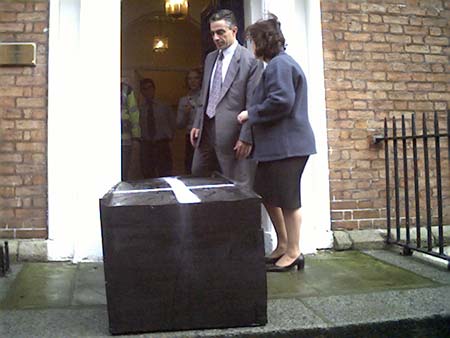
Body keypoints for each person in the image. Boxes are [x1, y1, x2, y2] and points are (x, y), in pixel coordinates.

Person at [237, 15, 316, 272]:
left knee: (289, 199)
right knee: (267, 193)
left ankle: (294, 252)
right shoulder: (275, 65)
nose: (250, 47)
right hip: (276, 149)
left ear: (262, 42)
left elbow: (282, 100)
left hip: (289, 147)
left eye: (251, 41)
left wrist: (251, 113)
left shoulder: (280, 66)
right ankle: (283, 244)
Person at [190, 9, 263, 187]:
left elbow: (253, 102)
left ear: (234, 31)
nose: (215, 38)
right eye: (213, 33)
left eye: (220, 32)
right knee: (198, 179)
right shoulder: (210, 58)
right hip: (205, 133)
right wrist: (197, 123)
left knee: (237, 189)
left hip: (234, 137)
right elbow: (204, 94)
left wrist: (247, 137)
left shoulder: (250, 61)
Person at [139, 78, 176, 178]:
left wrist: (170, 136)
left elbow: (173, 122)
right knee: (148, 174)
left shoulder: (164, 106)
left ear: (154, 89)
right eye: (144, 89)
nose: (148, 91)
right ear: (141, 92)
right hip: (146, 145)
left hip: (162, 144)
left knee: (165, 173)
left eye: (149, 88)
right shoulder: (139, 109)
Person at [176, 68, 202, 174]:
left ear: (200, 80)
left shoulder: (206, 97)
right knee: (190, 166)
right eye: (190, 78)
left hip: (205, 136)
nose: (193, 81)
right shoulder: (184, 100)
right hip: (191, 138)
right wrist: (185, 114)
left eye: (195, 78)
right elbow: (179, 124)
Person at [120, 81, 141, 181]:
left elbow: (134, 114)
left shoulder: (126, 89)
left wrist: (136, 137)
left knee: (123, 175)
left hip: (124, 141)